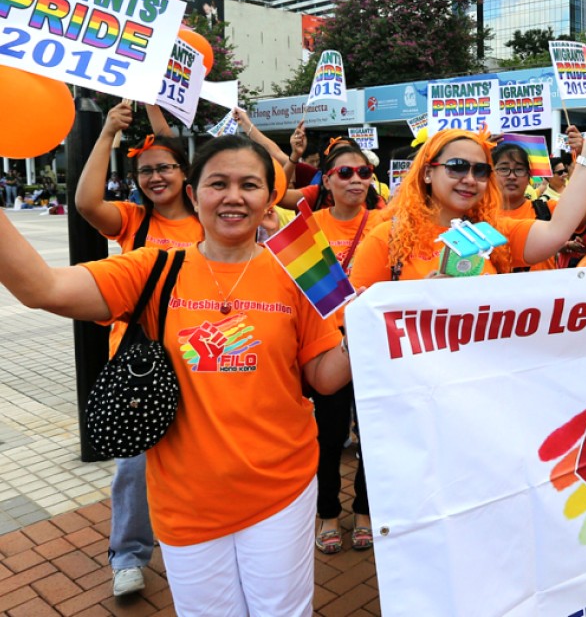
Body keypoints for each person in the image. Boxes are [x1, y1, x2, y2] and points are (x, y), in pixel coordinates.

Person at [0, 135, 354, 615]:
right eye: (218, 183)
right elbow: (42, 289)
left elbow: (325, 377)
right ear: (194, 193)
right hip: (186, 499)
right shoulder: (155, 268)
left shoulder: (298, 273)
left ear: (269, 197)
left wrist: (361, 332)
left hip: (281, 489)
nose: (233, 196)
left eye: (250, 184)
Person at [75, 102, 203, 598]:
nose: (155, 177)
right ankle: (127, 555)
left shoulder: (208, 216)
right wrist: (107, 130)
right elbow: (87, 204)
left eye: (165, 167)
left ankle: (193, 539)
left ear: (184, 173)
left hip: (201, 355)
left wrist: (153, 106)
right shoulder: (131, 221)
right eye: (145, 171)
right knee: (134, 464)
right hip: (141, 364)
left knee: (200, 452)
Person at [349, 121, 586, 286]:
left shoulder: (493, 233)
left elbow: (557, 231)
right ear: (428, 172)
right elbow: (359, 327)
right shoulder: (387, 239)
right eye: (456, 167)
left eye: (480, 171)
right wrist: (420, 301)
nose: (469, 179)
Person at [309, 143, 382, 555]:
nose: (356, 179)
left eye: (363, 172)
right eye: (345, 172)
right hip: (326, 349)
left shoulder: (383, 222)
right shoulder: (309, 226)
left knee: (372, 438)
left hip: (373, 348)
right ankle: (328, 515)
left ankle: (367, 512)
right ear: (327, 180)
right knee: (329, 439)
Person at [492, 141, 561, 272]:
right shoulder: (480, 219)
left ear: (529, 177)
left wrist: (583, 156)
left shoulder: (548, 210)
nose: (511, 176)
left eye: (519, 169)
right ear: (491, 175)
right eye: (503, 169)